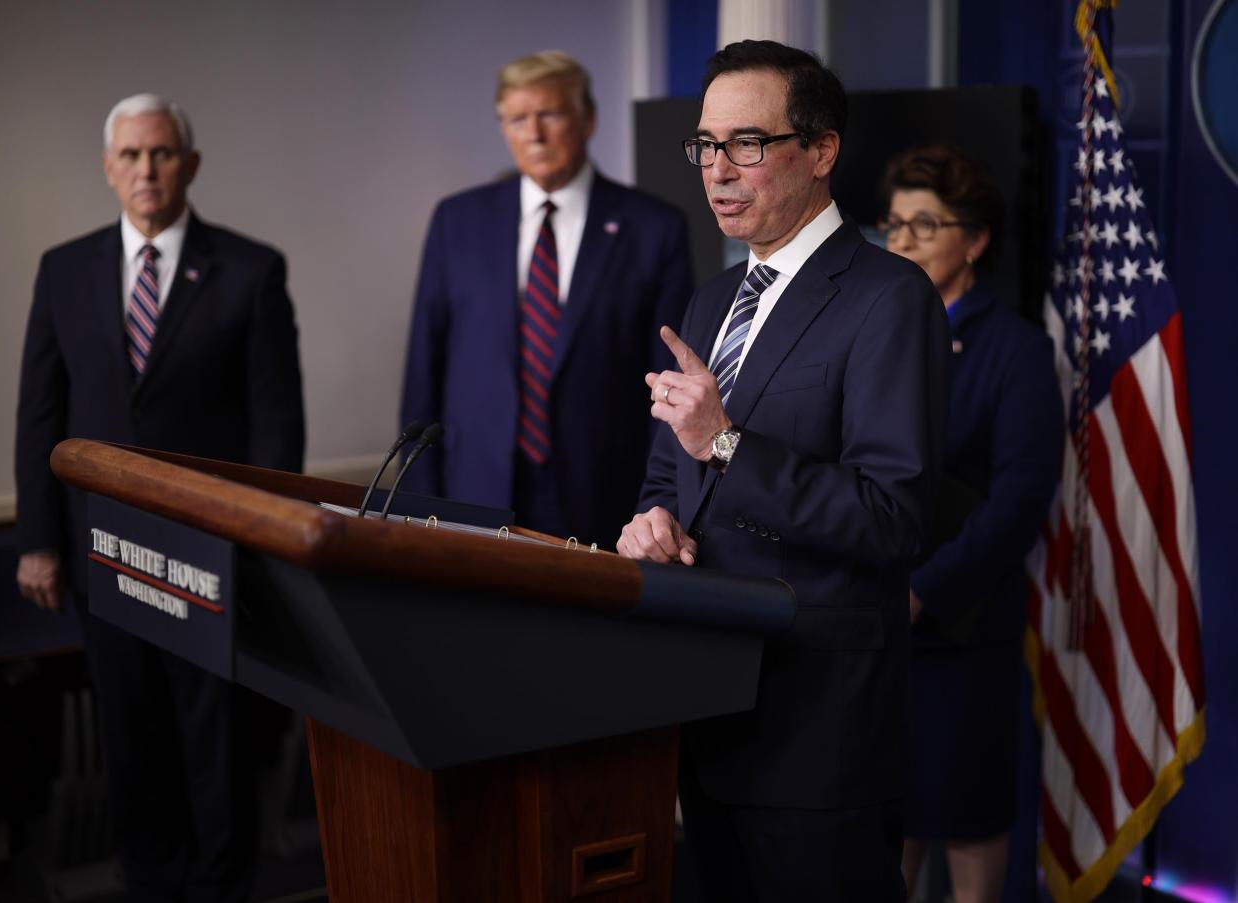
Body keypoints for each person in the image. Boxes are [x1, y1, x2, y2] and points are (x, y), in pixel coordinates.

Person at [616, 40, 950, 901]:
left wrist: (728, 442)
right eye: (705, 145)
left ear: (822, 150)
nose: (718, 170)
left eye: (747, 145)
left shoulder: (888, 295)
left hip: (818, 732)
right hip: (707, 707)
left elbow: (893, 518)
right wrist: (651, 525)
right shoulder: (711, 299)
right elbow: (673, 474)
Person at [15, 93, 305, 903]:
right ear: (110, 168)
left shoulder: (251, 270)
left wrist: (265, 541)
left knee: (215, 738)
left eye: (163, 153)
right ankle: (153, 884)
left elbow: (276, 426)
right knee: (130, 736)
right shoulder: (63, 269)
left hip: (212, 554)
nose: (148, 170)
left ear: (191, 164)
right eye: (132, 156)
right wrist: (39, 538)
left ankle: (220, 887)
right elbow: (40, 410)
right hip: (100, 548)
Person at [400, 50, 693, 547]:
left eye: (550, 115)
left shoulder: (653, 228)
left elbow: (668, 380)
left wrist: (657, 506)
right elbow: (424, 369)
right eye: (517, 119)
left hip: (604, 497)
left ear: (587, 119)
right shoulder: (458, 221)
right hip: (474, 489)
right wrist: (416, 502)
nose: (533, 133)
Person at [880, 144, 1063, 903]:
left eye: (927, 224)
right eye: (893, 225)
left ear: (976, 240)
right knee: (884, 827)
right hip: (872, 625)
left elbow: (1021, 497)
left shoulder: (1014, 348)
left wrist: (927, 590)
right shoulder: (873, 330)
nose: (904, 241)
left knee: (965, 819)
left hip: (962, 628)